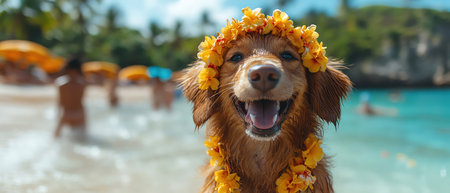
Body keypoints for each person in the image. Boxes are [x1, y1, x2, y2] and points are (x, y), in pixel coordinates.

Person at [54, 57, 87, 138]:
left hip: (66, 114)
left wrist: (58, 116)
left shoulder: (60, 83)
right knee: (83, 139)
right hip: (79, 114)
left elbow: (60, 102)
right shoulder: (83, 83)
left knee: (56, 137)